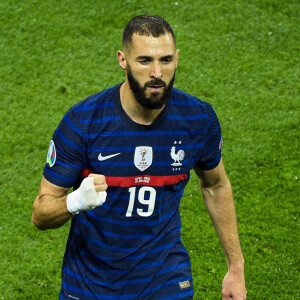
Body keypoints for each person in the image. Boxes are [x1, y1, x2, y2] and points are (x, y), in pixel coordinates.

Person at [32, 14, 246, 300]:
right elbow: (40, 213)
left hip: (165, 284)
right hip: (91, 287)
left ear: (177, 58)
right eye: (144, 61)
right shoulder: (84, 122)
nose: (157, 72)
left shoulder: (197, 119)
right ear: (123, 60)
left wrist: (236, 268)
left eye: (166, 60)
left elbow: (215, 186)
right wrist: (75, 201)